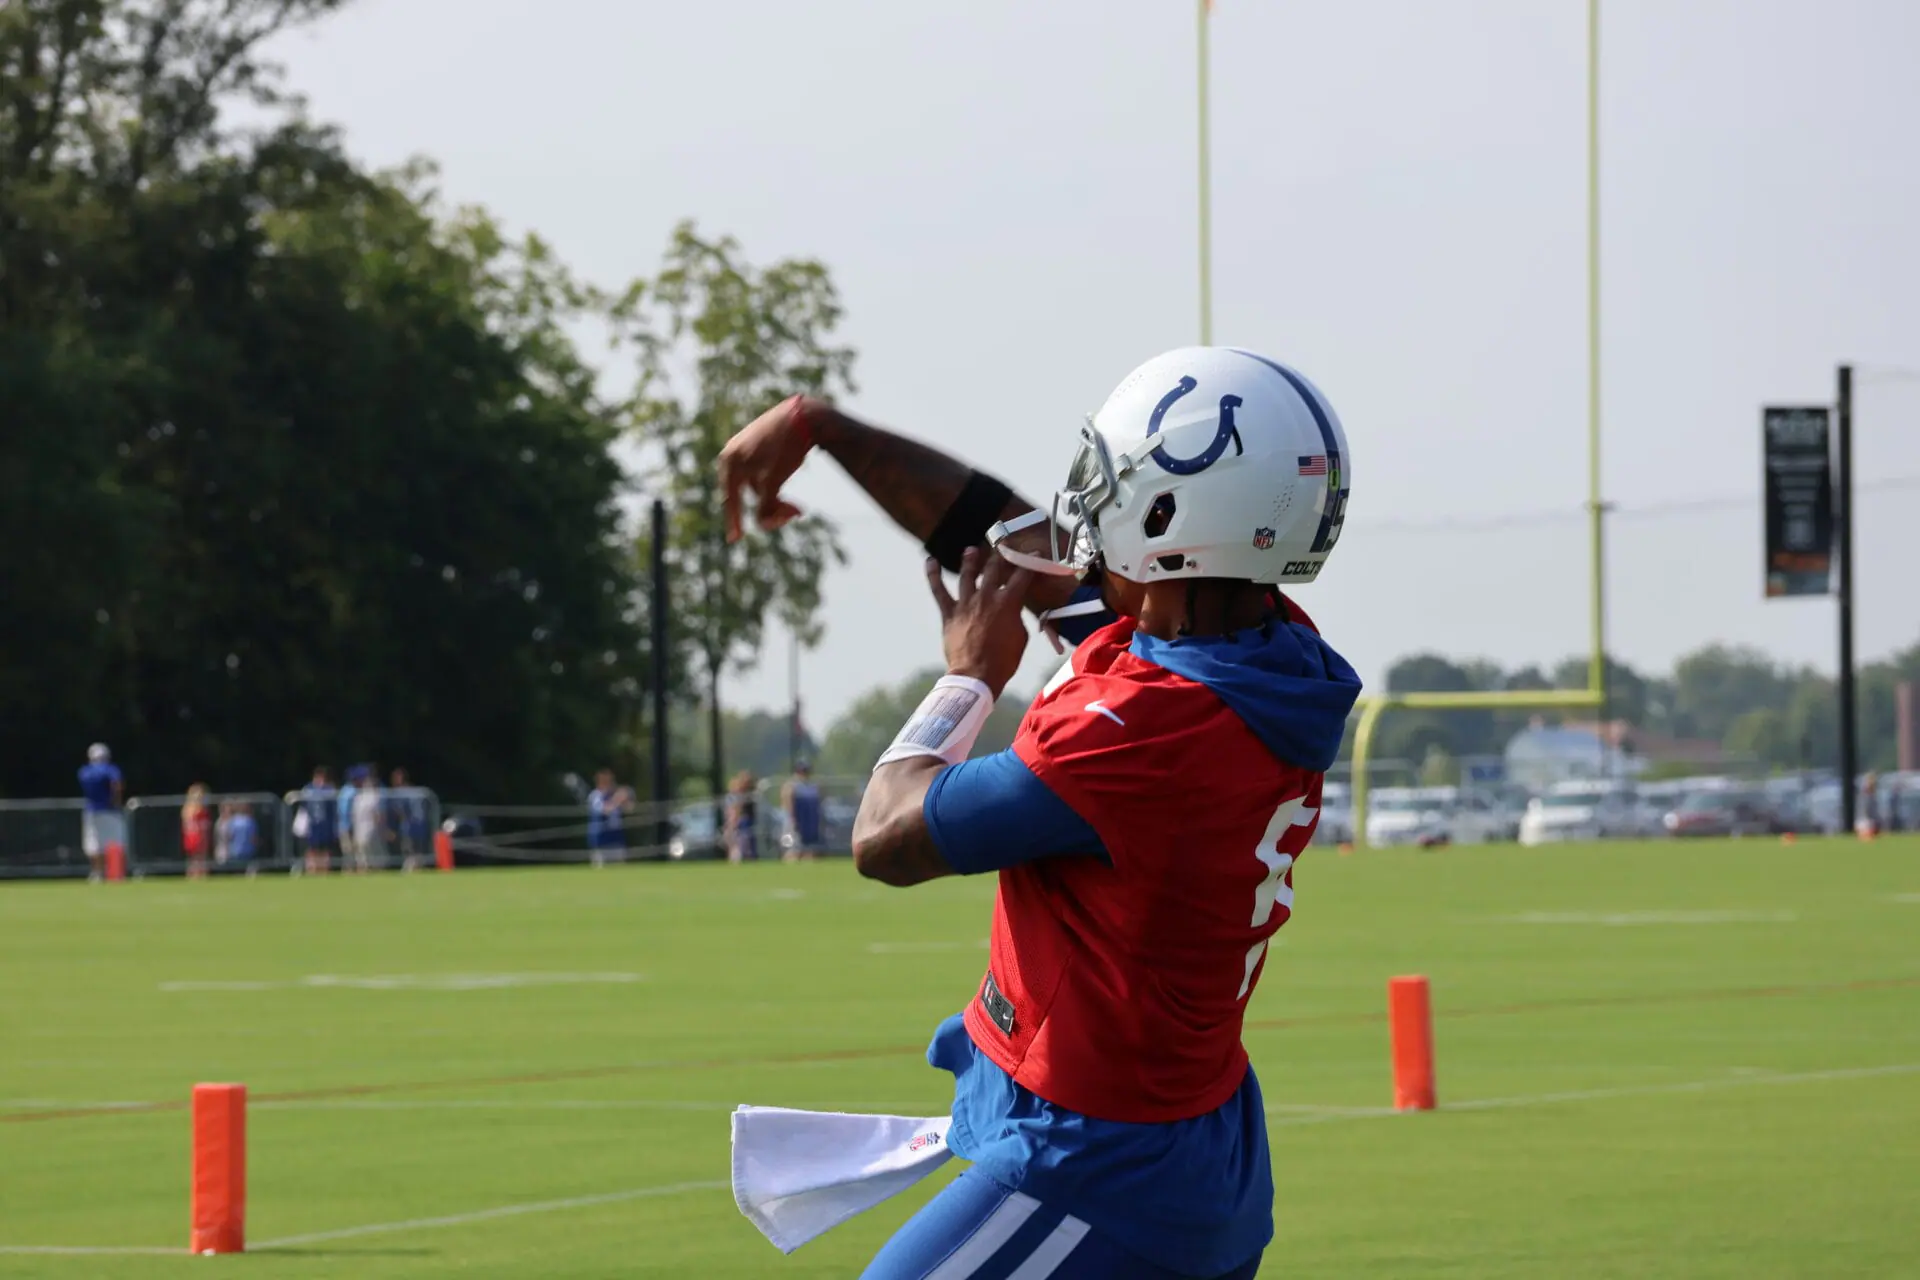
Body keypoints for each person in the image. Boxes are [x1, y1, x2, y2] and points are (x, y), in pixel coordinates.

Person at [719, 347, 1361, 1278]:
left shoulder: (1142, 727)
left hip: (1098, 1164)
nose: (1088, 516)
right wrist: (824, 429)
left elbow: (886, 836)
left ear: (1172, 518)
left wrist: (967, 680)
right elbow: (1011, 543)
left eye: (1117, 488)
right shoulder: (1259, 648)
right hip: (1186, 1140)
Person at [76, 743, 125, 883]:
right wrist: (116, 801)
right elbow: (117, 785)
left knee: (94, 843)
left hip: (92, 810)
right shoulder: (111, 770)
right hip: (110, 810)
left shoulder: (85, 771)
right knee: (115, 842)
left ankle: (97, 872)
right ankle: (115, 872)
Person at [386, 767, 431, 872]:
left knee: (412, 851)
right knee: (411, 850)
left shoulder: (407, 792)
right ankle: (414, 868)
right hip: (411, 827)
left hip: (411, 827)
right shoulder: (408, 792)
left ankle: (412, 869)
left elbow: (400, 812)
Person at [296, 766, 339, 875]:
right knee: (312, 848)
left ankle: (324, 870)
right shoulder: (308, 789)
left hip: (325, 825)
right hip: (313, 825)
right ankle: (312, 869)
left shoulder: (328, 789)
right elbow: (303, 808)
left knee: (325, 849)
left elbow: (333, 809)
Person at [781, 759, 825, 861]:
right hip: (796, 823)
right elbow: (787, 803)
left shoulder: (813, 786)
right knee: (794, 849)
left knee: (811, 850)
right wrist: (793, 821)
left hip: (810, 824)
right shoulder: (792, 786)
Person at [587, 769, 633, 864]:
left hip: (616, 839)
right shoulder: (595, 796)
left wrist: (626, 798)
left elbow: (630, 809)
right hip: (601, 840)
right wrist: (617, 799)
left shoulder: (614, 795)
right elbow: (605, 810)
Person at [349, 765, 389, 873]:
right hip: (371, 831)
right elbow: (378, 815)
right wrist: (383, 830)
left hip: (361, 831)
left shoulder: (358, 797)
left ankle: (366, 871)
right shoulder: (374, 796)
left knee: (363, 857)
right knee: (375, 856)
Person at [181, 784, 214, 880]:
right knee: (195, 859)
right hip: (194, 836)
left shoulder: (204, 810)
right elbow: (189, 823)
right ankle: (194, 877)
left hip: (201, 835)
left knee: (201, 858)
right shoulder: (191, 809)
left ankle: (201, 876)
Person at [725, 771, 759, 863]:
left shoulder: (749, 796)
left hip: (746, 824)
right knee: (739, 849)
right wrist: (732, 825)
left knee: (747, 849)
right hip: (740, 825)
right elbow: (733, 812)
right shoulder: (735, 797)